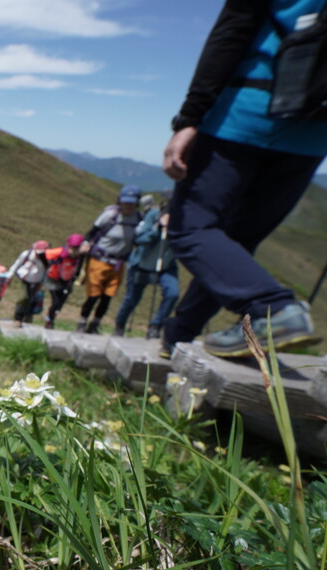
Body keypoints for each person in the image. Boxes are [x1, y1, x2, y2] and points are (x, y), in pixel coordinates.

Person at [161, 0, 326, 358]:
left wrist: (189, 119)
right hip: (313, 132)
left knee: (190, 227)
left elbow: (231, 32)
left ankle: (274, 309)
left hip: (246, 114)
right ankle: (180, 334)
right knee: (237, 240)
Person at [76, 185, 142, 334]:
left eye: (132, 202)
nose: (129, 205)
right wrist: (86, 244)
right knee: (94, 295)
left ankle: (94, 325)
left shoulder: (138, 219)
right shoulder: (110, 215)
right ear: (120, 201)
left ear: (137, 202)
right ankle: (82, 323)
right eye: (126, 202)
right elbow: (92, 232)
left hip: (118, 264)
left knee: (107, 297)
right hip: (99, 260)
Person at [113, 203, 179, 339]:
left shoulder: (184, 220)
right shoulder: (153, 215)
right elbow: (139, 239)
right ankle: (120, 324)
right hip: (141, 265)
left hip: (166, 266)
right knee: (132, 299)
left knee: (172, 294)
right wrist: (158, 229)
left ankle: (155, 326)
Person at [42, 234, 86, 329]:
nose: (74, 251)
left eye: (77, 248)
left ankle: (52, 317)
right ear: (69, 246)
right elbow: (44, 255)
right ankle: (49, 320)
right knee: (56, 301)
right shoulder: (60, 252)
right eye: (73, 248)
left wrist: (75, 278)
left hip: (67, 280)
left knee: (61, 302)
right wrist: (48, 266)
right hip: (53, 278)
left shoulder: (80, 256)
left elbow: (78, 268)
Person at [9, 240, 49, 327]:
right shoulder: (27, 254)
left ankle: (25, 318)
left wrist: (42, 284)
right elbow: (17, 264)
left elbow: (46, 272)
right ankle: (17, 319)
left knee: (30, 300)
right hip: (24, 279)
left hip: (36, 282)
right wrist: (10, 275)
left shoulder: (47, 259)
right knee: (23, 298)